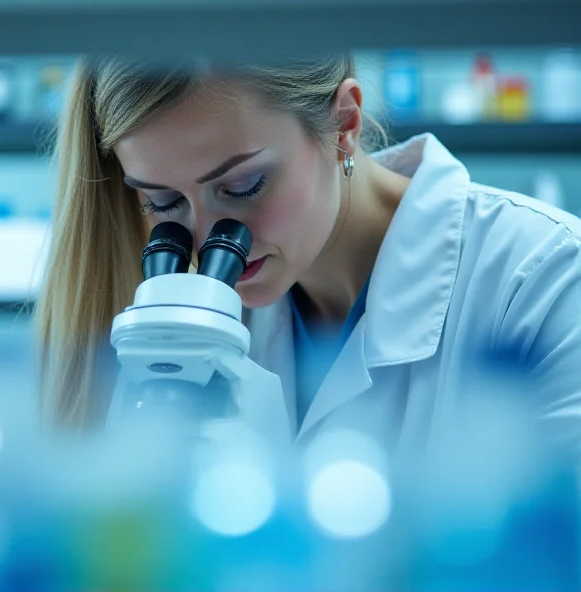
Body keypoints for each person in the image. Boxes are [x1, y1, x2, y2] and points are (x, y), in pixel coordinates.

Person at [37, 55, 581, 458]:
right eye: (162, 202)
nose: (205, 244)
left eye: (245, 185)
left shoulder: (547, 280)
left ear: (344, 124)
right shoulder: (188, 318)